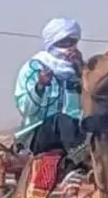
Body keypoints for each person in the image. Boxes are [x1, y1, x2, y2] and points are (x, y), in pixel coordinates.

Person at [13, 18, 86, 168]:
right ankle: (81, 160)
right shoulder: (33, 68)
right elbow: (25, 109)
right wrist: (39, 86)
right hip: (39, 133)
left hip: (75, 131)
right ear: (52, 43)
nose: (69, 47)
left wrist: (81, 71)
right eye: (64, 42)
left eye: (72, 42)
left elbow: (93, 99)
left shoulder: (80, 70)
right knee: (61, 119)